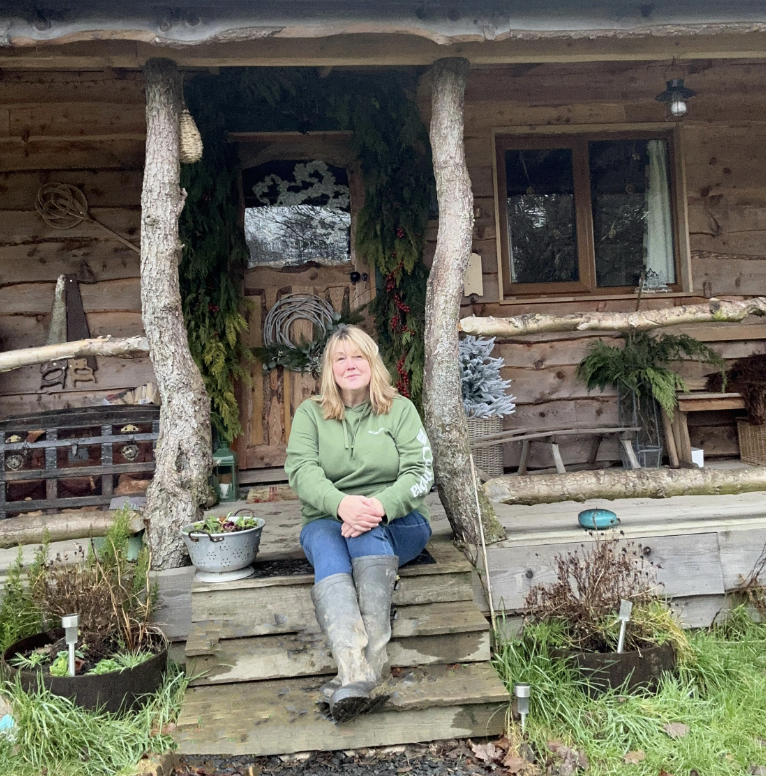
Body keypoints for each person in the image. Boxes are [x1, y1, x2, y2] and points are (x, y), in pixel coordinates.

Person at [284, 324, 434, 723]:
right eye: (340, 358)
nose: (350, 365)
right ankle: (355, 671)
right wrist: (341, 505)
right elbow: (301, 471)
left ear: (372, 362)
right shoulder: (310, 414)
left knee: (365, 534)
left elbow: (420, 472)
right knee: (327, 546)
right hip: (327, 519)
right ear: (329, 369)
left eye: (358, 356)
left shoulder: (400, 410)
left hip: (400, 521)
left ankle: (369, 666)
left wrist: (378, 507)